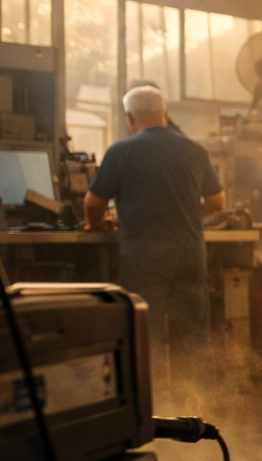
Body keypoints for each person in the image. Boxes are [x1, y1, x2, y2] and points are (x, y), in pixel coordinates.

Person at [84, 85, 225, 386]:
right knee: (195, 339)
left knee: (145, 338)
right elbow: (218, 203)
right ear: (165, 114)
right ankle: (202, 412)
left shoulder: (121, 151)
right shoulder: (195, 150)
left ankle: (153, 412)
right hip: (190, 254)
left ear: (129, 118)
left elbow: (93, 203)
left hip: (145, 257)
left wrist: (95, 224)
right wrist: (185, 211)